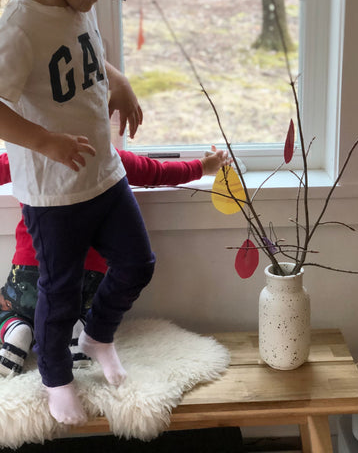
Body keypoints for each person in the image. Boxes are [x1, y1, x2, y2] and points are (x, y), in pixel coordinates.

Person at [0, 0, 167, 426]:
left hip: (104, 176)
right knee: (59, 291)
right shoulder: (20, 28)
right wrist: (41, 140)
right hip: (54, 196)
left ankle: (97, 338)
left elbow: (87, 55)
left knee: (138, 262)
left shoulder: (76, 8)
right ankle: (53, 378)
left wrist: (118, 82)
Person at [0, 147, 229, 377]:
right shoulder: (107, 154)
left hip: (31, 269)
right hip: (86, 279)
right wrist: (202, 166)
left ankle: (16, 326)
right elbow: (157, 172)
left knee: (10, 307)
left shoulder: (27, 153)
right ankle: (77, 328)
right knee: (85, 306)